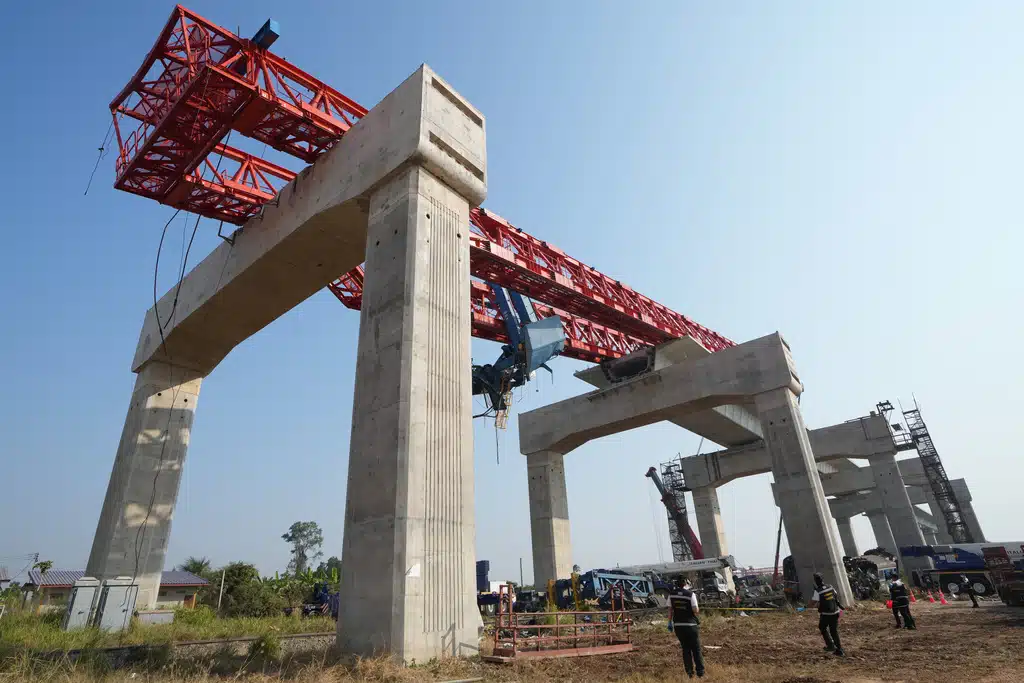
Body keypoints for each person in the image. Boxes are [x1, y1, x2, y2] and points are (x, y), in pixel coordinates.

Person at [669, 577, 705, 678]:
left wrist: (669, 622)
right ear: (685, 583)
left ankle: (689, 673)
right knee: (696, 649)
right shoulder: (690, 594)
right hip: (690, 625)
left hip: (678, 626)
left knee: (686, 649)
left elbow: (670, 609)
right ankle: (700, 673)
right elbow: (695, 610)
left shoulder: (671, 595)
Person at [808, 572, 845, 657]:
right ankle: (839, 650)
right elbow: (835, 596)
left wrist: (806, 606)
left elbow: (812, 603)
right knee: (834, 631)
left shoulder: (818, 591)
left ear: (815, 581)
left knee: (822, 627)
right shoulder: (830, 587)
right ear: (823, 580)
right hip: (836, 612)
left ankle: (831, 645)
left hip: (826, 614)